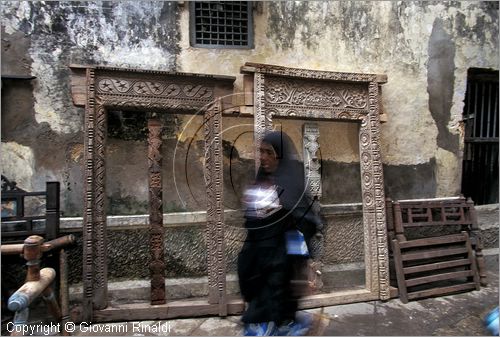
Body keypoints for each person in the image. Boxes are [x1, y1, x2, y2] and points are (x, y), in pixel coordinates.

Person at [237, 131, 322, 336]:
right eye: (261, 152)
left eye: (269, 152)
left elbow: (308, 218)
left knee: (277, 290)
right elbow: (252, 219)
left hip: (282, 253)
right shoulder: (262, 178)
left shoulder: (292, 179)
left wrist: (282, 208)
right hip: (258, 251)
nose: (263, 157)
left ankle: (279, 324)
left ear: (280, 155)